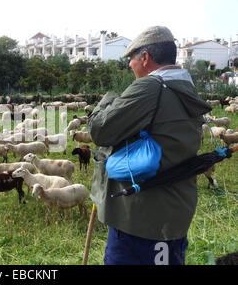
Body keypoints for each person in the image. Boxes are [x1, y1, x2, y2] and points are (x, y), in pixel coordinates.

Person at [86, 26, 212, 265]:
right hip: (175, 215)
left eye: (131, 59)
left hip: (140, 220)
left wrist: (110, 99)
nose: (130, 66)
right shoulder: (185, 88)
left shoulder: (150, 87)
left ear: (144, 58)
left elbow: (100, 130)